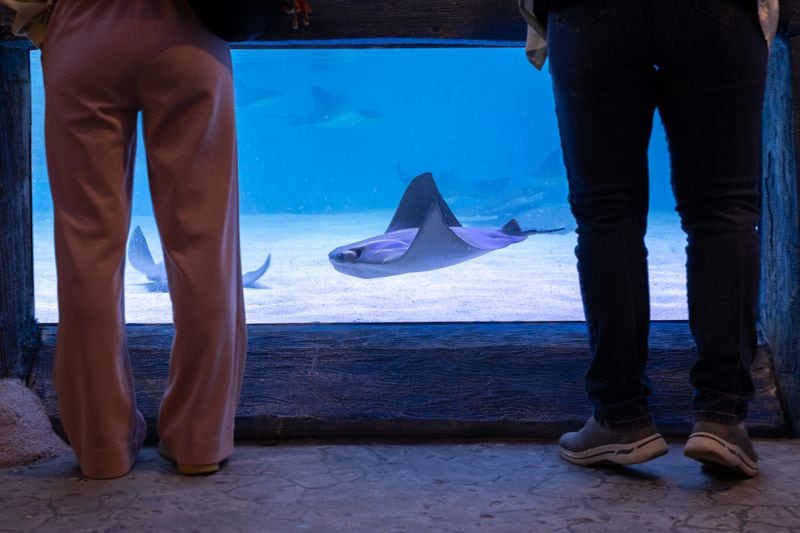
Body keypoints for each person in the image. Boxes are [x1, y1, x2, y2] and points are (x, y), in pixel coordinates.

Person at [519, 0, 779, 477]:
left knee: (607, 215)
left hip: (592, 17)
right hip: (720, 15)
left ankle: (621, 420)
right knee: (723, 211)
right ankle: (722, 420)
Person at [0, 0, 247, 478]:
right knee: (203, 247)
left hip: (83, 37)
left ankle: (102, 446)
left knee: (87, 250)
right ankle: (200, 439)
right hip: (188, 35)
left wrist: (47, 23)